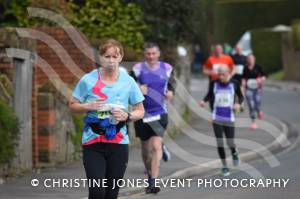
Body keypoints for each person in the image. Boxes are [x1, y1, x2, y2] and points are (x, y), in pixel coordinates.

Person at [69, 39, 145, 199]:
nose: (111, 61)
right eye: (107, 56)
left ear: (120, 58)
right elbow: (72, 105)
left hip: (118, 143)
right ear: (100, 58)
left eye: (114, 56)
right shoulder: (88, 80)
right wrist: (88, 106)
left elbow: (140, 111)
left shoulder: (128, 82)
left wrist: (128, 116)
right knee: (97, 191)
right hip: (93, 142)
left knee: (111, 194)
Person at [130, 42, 176, 194]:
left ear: (158, 54)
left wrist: (170, 92)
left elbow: (171, 86)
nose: (151, 56)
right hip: (142, 114)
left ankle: (154, 181)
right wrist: (137, 89)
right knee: (145, 150)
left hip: (159, 113)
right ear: (145, 54)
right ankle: (150, 174)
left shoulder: (167, 68)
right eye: (148, 53)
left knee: (156, 146)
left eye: (153, 53)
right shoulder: (137, 69)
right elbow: (128, 88)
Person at [199, 65, 244, 176]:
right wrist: (203, 101)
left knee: (230, 142)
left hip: (229, 117)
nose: (220, 76)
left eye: (223, 74)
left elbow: (241, 96)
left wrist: (238, 104)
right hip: (217, 117)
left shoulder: (234, 83)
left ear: (228, 73)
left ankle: (234, 152)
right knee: (220, 143)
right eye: (219, 74)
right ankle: (224, 166)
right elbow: (209, 95)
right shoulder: (214, 83)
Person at [242, 54, 267, 130]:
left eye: (251, 59)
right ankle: (253, 122)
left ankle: (259, 111)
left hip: (257, 88)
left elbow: (264, 76)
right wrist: (243, 83)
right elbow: (243, 77)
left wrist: (261, 79)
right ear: (247, 60)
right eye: (248, 59)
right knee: (251, 105)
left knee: (257, 102)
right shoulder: (245, 68)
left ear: (254, 59)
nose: (250, 60)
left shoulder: (258, 67)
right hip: (248, 88)